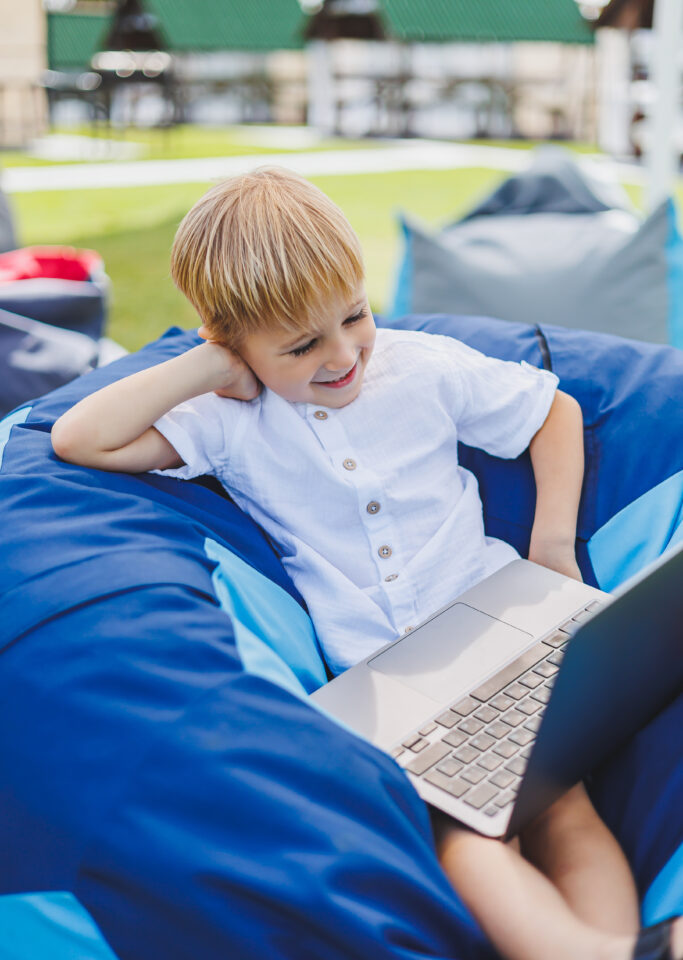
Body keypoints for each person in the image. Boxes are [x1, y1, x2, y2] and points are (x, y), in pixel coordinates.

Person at [51, 167, 682, 960]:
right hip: (384, 682)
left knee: (563, 806)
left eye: (354, 314)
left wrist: (551, 545)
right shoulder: (225, 419)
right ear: (230, 338)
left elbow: (551, 409)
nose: (343, 353)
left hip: (503, 622)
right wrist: (208, 366)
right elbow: (80, 441)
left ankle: (620, 950)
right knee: (470, 834)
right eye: (302, 343)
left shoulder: (421, 367)